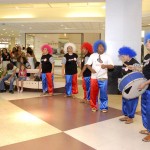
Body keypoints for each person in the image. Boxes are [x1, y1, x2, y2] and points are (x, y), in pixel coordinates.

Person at [86, 40, 114, 112]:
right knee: (93, 93)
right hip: (94, 77)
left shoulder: (107, 56)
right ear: (96, 48)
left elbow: (112, 66)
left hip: (103, 77)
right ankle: (94, 106)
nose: (101, 48)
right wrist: (91, 70)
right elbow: (87, 65)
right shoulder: (93, 55)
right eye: (100, 46)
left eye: (102, 46)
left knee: (103, 93)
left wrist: (106, 66)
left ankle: (104, 107)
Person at [118, 46, 140, 124]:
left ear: (128, 55)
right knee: (125, 100)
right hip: (126, 84)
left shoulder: (135, 62)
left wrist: (134, 68)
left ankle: (131, 117)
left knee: (132, 100)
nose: (122, 57)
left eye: (123, 56)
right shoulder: (125, 63)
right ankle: (126, 115)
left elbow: (139, 73)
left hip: (133, 85)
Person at [138, 32, 150, 142]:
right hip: (146, 87)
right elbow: (144, 70)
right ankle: (148, 128)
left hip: (148, 86)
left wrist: (145, 83)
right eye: (146, 41)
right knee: (145, 109)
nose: (147, 43)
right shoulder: (146, 56)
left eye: (149, 42)